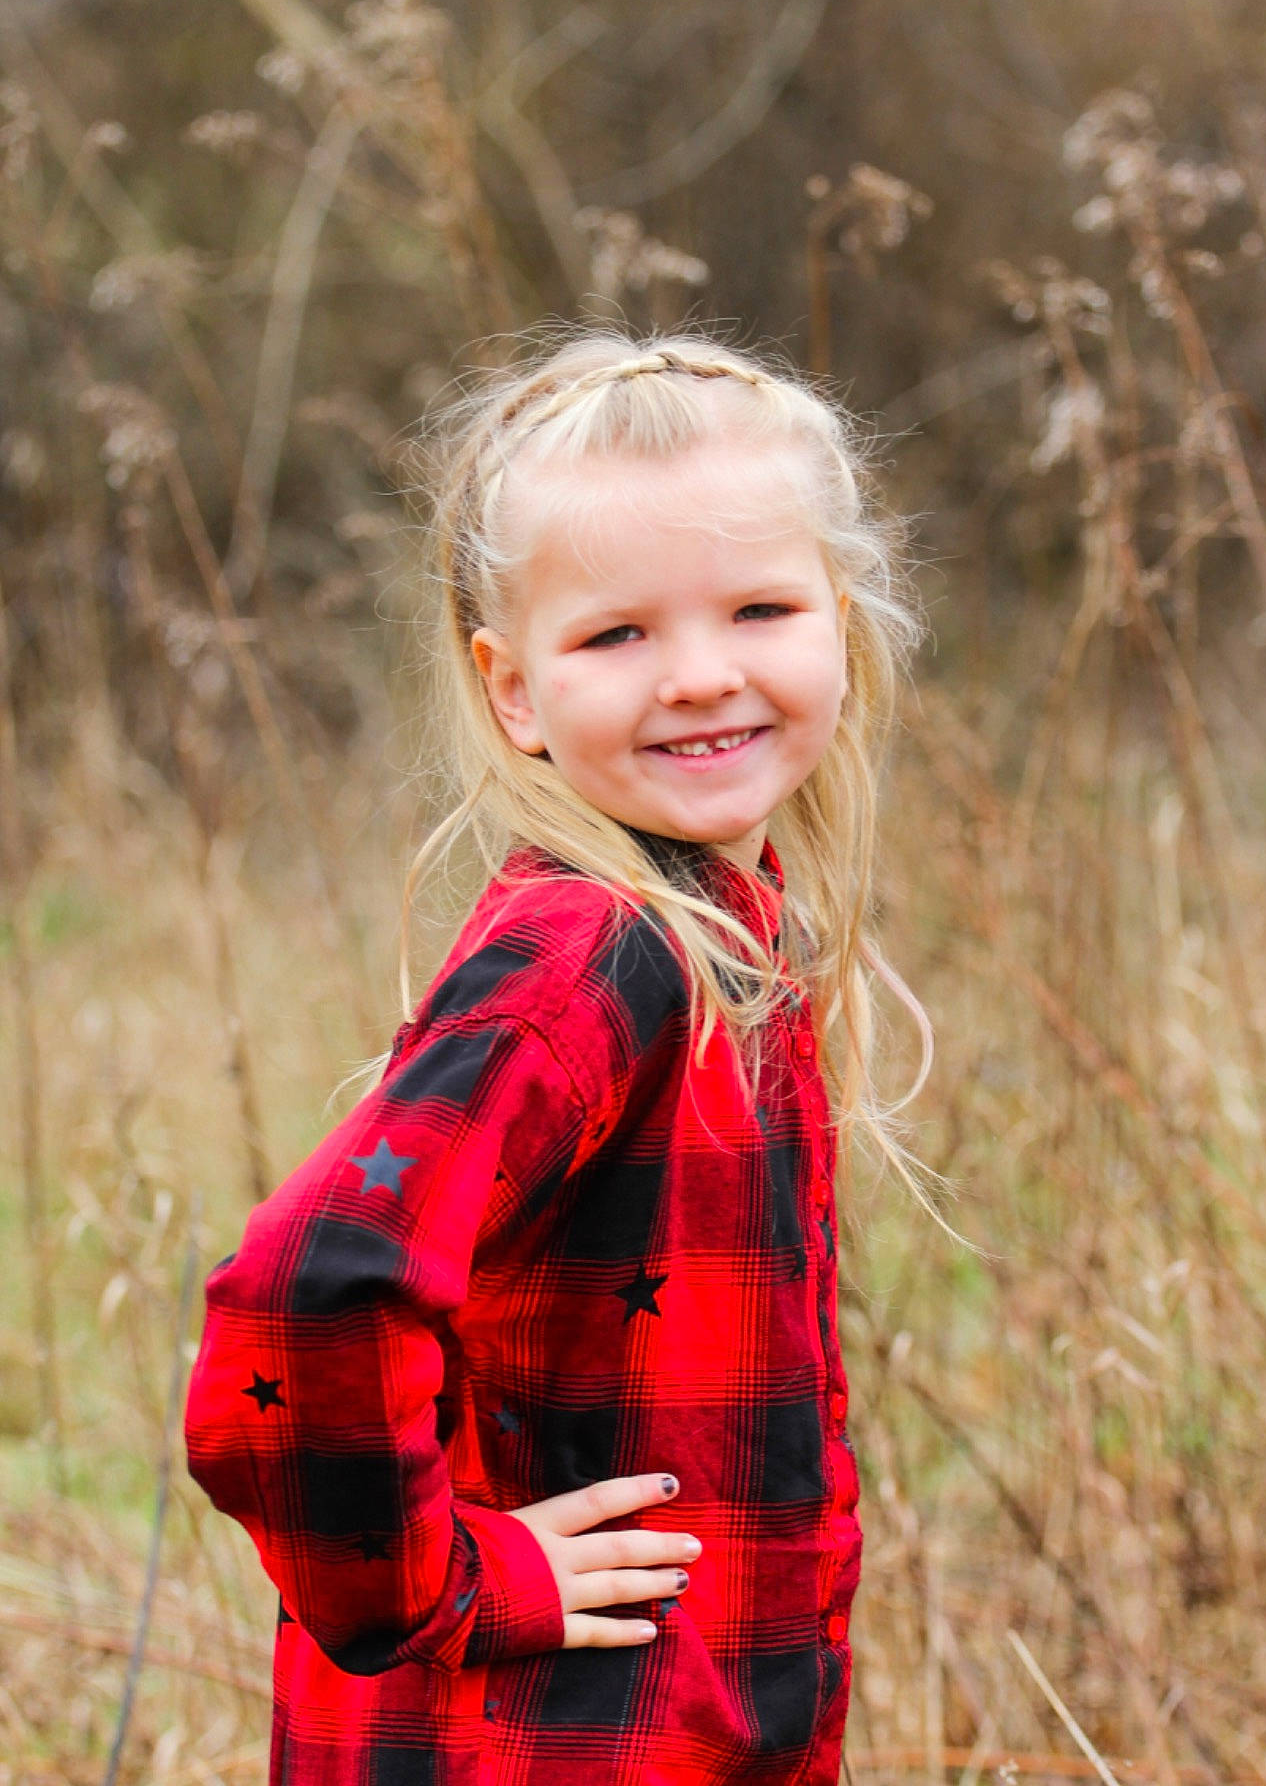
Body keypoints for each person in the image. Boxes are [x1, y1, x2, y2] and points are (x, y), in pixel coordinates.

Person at [183, 330, 935, 1786]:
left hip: (664, 1724)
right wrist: (440, 1583)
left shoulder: (717, 921)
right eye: (616, 636)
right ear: (513, 688)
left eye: (760, 607)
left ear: (838, 619)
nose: (700, 677)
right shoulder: (594, 955)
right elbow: (305, 1292)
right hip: (538, 1741)